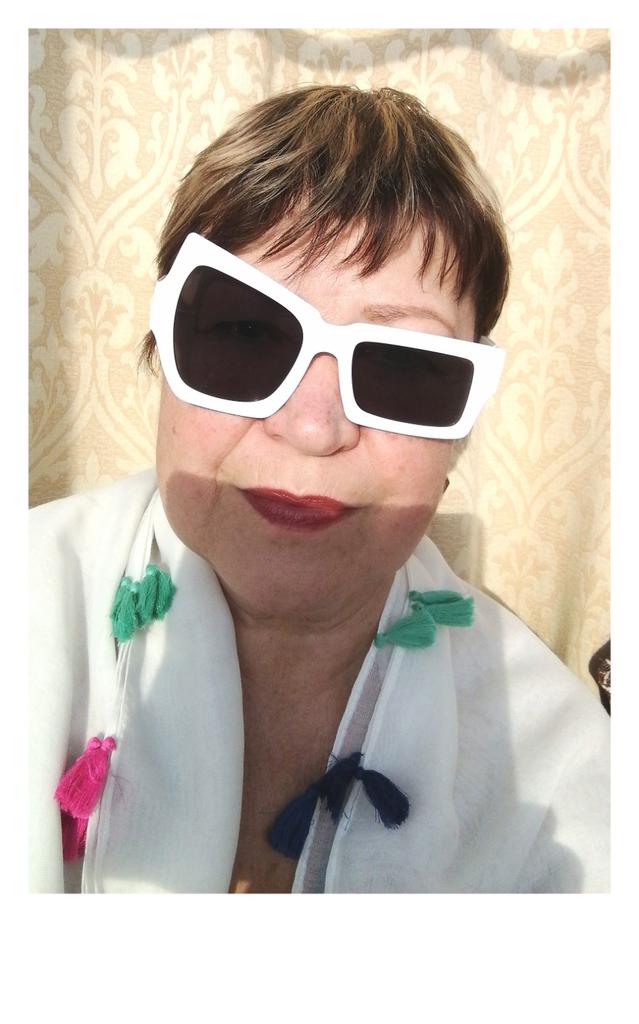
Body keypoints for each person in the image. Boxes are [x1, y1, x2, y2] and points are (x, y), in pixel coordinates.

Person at [29, 84, 609, 894]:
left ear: (461, 425)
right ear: (162, 347)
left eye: (402, 365)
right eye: (245, 333)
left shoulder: (560, 773)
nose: (311, 427)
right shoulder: (24, 597)